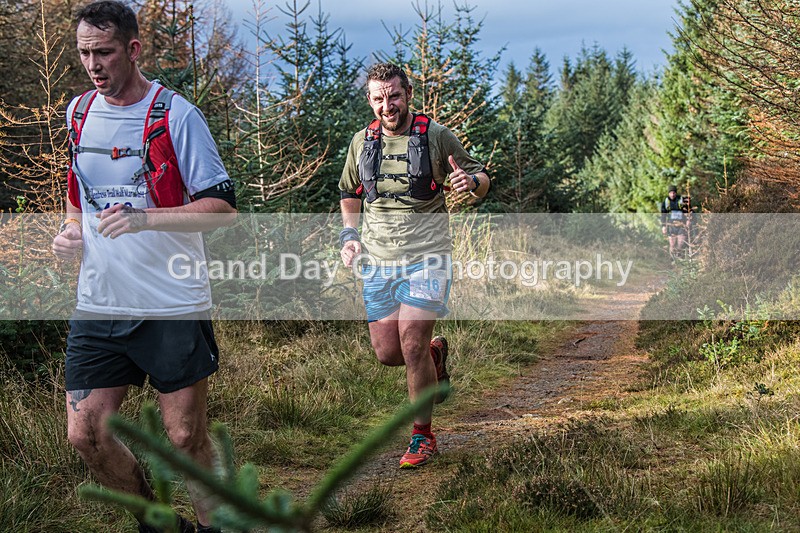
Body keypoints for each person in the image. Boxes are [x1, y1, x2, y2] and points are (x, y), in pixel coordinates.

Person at [50, 2, 236, 532]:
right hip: (100, 303)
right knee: (85, 434)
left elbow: (223, 208)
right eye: (85, 52)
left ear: (133, 49)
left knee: (184, 439)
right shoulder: (79, 112)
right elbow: (78, 198)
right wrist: (71, 235)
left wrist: (145, 219)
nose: (92, 63)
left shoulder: (176, 115)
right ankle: (159, 521)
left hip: (172, 303)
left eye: (104, 52)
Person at [338, 62, 489, 468]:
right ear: (370, 100)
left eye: (394, 95)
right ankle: (434, 361)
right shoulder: (362, 142)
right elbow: (349, 193)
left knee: (411, 342)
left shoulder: (435, 136)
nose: (388, 105)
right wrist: (349, 235)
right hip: (378, 260)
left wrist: (469, 184)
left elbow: (480, 177)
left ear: (408, 94)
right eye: (379, 98)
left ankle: (422, 437)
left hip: (429, 258)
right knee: (388, 352)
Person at [661, 184, 692, 262]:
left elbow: (689, 210)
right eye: (671, 193)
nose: (672, 194)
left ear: (676, 193)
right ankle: (672, 260)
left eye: (674, 192)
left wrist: (688, 220)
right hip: (671, 226)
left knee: (681, 243)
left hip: (682, 225)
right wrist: (663, 226)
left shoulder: (681, 200)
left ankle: (680, 259)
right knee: (672, 244)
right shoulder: (665, 202)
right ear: (668, 193)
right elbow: (663, 215)